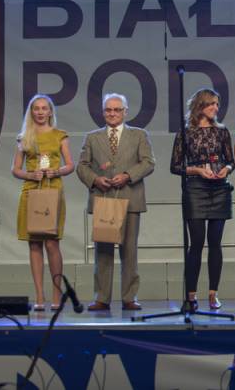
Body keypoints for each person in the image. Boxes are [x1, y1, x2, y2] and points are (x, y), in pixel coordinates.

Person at [77, 93, 155, 311]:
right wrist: (95, 179)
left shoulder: (139, 135)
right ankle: (102, 298)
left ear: (125, 112)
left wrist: (128, 175)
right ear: (103, 112)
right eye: (108, 110)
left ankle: (129, 297)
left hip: (130, 198)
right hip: (104, 199)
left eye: (117, 110)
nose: (112, 113)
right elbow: (81, 166)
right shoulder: (92, 137)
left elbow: (148, 162)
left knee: (129, 251)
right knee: (103, 252)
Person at [170, 88, 235, 310]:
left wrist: (226, 169)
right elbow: (175, 166)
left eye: (217, 104)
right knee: (196, 243)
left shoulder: (222, 131)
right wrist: (197, 170)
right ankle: (191, 295)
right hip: (195, 189)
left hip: (220, 189)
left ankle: (213, 294)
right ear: (200, 105)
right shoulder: (185, 133)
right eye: (211, 104)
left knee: (215, 243)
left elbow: (231, 161)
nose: (216, 108)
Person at [12, 94, 74, 311]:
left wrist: (56, 171)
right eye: (36, 108)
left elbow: (70, 165)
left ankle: (57, 293)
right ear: (31, 112)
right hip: (31, 191)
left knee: (52, 243)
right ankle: (39, 295)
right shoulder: (24, 137)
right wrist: (30, 175)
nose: (40, 112)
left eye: (44, 108)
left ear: (50, 112)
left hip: (52, 191)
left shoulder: (60, 135)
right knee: (34, 243)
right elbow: (15, 169)